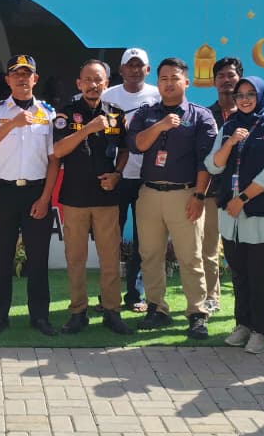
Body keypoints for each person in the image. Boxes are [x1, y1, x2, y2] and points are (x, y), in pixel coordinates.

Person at [127, 57, 218, 336]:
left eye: (174, 78)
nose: (168, 83)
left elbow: (207, 161)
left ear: (186, 82)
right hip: (150, 193)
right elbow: (137, 145)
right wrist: (161, 125)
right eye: (163, 79)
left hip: (184, 193)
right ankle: (157, 308)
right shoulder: (146, 114)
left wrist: (199, 195)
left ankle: (197, 313)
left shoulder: (200, 116)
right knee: (150, 255)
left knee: (190, 256)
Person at [205, 76, 264, 353]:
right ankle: (242, 324)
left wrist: (241, 199)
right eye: (240, 95)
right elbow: (213, 165)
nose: (244, 99)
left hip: (261, 215)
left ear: (261, 96)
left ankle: (259, 331)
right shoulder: (229, 126)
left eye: (250, 94)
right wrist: (229, 143)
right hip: (231, 218)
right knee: (239, 275)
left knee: (260, 276)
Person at [0, 54, 59, 336]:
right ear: (8, 80)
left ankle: (40, 317)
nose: (22, 79)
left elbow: (54, 160)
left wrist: (45, 198)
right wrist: (12, 123)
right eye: (16, 74)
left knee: (38, 259)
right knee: (1, 259)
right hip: (3, 193)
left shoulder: (48, 113)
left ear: (35, 79)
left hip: (35, 192)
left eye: (27, 74)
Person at [52, 59, 133, 335]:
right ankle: (78, 312)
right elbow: (58, 150)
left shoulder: (116, 114)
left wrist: (118, 174)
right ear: (79, 83)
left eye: (98, 80)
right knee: (76, 259)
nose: (93, 85)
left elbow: (124, 150)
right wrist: (87, 128)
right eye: (87, 79)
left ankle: (112, 311)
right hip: (75, 197)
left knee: (109, 258)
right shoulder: (66, 113)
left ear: (106, 84)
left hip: (106, 197)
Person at [102, 48, 160, 312]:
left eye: (140, 65)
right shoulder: (108, 96)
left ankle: (135, 295)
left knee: (143, 240)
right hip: (116, 178)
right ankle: (108, 296)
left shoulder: (158, 95)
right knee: (110, 240)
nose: (135, 70)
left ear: (148, 70)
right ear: (121, 69)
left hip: (147, 178)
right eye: (130, 65)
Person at [199, 57, 244, 315]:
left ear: (240, 79)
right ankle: (211, 298)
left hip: (241, 194)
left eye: (231, 75)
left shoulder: (250, 116)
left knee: (244, 251)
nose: (226, 80)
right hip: (210, 192)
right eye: (221, 76)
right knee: (208, 250)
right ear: (214, 82)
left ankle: (249, 301)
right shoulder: (205, 115)